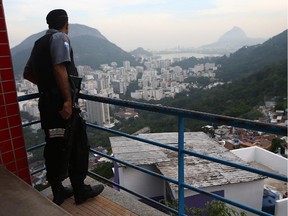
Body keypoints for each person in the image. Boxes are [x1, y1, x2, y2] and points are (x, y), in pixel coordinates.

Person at [23, 9, 104, 205]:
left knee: (54, 146)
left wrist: (47, 87)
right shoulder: (60, 38)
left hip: (47, 104)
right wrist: (67, 100)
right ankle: (80, 190)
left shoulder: (39, 42)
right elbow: (60, 67)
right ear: (66, 24)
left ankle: (58, 191)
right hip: (62, 105)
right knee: (78, 144)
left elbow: (27, 73)